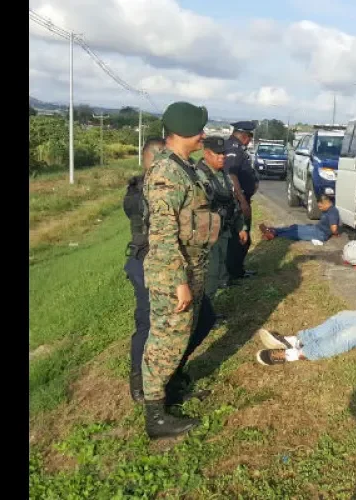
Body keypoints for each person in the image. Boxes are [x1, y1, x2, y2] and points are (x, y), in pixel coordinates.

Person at [142, 101, 221, 439]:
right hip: (173, 273)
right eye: (198, 129)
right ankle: (155, 417)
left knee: (185, 333)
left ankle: (170, 389)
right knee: (165, 342)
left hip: (193, 265)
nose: (203, 134)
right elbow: (162, 235)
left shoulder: (184, 166)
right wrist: (178, 283)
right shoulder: (166, 175)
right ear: (181, 133)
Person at [123, 137, 165, 403]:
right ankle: (138, 382)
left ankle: (162, 375)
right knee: (147, 323)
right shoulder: (141, 192)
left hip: (156, 264)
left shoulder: (152, 187)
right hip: (144, 263)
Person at [198, 136, 248, 299]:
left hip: (223, 232)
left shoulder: (224, 176)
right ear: (206, 153)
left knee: (218, 269)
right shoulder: (198, 176)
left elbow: (232, 203)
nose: (222, 157)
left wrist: (242, 227)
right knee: (208, 276)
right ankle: (204, 317)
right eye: (218, 154)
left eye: (224, 154)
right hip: (206, 236)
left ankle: (209, 313)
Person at [224, 121, 258, 282]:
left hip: (241, 199)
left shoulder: (236, 148)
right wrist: (242, 201)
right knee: (240, 238)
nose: (250, 140)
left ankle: (236, 271)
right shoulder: (234, 150)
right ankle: (233, 274)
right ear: (244, 136)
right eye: (250, 137)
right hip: (237, 202)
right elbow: (232, 175)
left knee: (241, 239)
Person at [257, 195, 340, 243]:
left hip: (320, 234)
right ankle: (272, 230)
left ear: (325, 203)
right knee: (295, 227)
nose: (320, 208)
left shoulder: (333, 212)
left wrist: (335, 233)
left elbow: (334, 228)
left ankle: (273, 235)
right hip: (316, 229)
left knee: (296, 233)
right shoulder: (328, 210)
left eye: (320, 206)